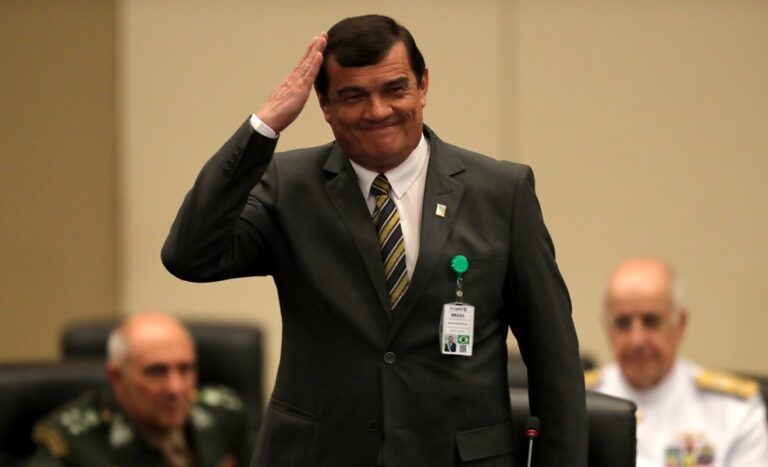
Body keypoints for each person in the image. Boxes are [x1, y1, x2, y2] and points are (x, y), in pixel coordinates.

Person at [162, 14, 587, 467]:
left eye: (395, 89)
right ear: (324, 105)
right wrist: (263, 127)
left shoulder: (501, 193)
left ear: (423, 86)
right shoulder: (288, 187)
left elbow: (555, 363)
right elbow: (190, 255)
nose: (378, 111)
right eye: (354, 96)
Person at [587, 257, 768, 467]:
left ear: (680, 323)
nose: (637, 339)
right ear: (606, 327)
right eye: (623, 323)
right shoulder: (580, 403)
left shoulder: (734, 409)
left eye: (651, 321)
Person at [26, 311, 250, 467]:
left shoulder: (225, 415)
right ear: (117, 377)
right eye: (156, 372)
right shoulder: (75, 441)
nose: (175, 388)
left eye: (185, 369)